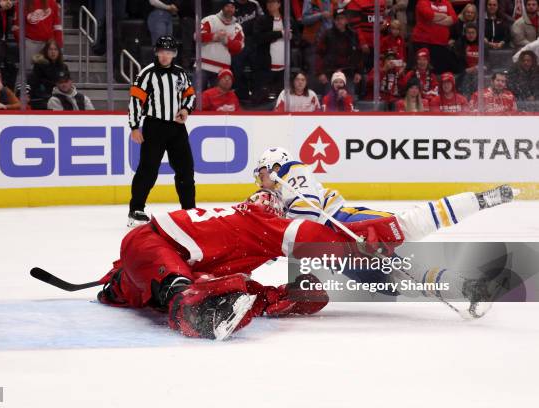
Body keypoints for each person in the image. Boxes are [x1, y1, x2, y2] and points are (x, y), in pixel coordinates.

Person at [96, 189, 406, 340]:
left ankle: (273, 298)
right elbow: (305, 235)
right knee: (181, 285)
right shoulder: (259, 220)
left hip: (157, 259)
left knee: (225, 283)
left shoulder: (239, 231)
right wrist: (356, 247)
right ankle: (193, 313)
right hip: (150, 243)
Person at [253, 147, 517, 244]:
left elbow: (308, 214)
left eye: (262, 171)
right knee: (388, 275)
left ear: (276, 165)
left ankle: (482, 199)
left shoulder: (291, 171)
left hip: (347, 223)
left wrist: (281, 223)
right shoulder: (283, 186)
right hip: (340, 237)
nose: (259, 179)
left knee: (410, 225)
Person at [128, 36, 197, 228]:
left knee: (186, 170)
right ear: (156, 53)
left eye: (169, 52)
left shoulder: (181, 74)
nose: (165, 56)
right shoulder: (146, 74)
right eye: (162, 52)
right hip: (154, 127)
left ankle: (189, 211)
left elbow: (190, 95)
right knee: (147, 170)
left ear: (174, 54)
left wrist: (185, 109)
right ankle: (136, 209)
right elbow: (135, 101)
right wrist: (134, 126)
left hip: (177, 128)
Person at [315, 9, 363, 97]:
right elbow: (319, 54)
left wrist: (358, 72)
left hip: (349, 74)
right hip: (330, 74)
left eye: (342, 18)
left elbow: (358, 54)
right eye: (337, 19)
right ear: (334, 20)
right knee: (329, 102)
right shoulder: (327, 35)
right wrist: (320, 73)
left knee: (348, 101)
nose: (339, 21)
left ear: (346, 20)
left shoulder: (353, 35)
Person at [198, 0, 245, 89]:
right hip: (203, 66)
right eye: (227, 6)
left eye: (232, 7)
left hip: (222, 70)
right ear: (222, 7)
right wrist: (215, 36)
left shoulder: (237, 27)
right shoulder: (209, 20)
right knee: (195, 97)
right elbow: (197, 36)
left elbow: (239, 47)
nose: (230, 9)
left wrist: (227, 41)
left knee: (217, 100)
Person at [12, 0, 63, 74]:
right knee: (27, 72)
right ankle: (21, 85)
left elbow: (57, 25)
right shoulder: (21, 3)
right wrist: (23, 43)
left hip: (48, 44)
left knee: (50, 71)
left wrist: (58, 44)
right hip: (29, 43)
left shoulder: (52, 2)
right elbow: (16, 26)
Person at [411, 0, 458, 74]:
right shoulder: (423, 1)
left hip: (441, 44)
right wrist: (444, 16)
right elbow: (429, 15)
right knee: (422, 70)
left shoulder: (446, 2)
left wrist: (434, 20)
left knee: (439, 72)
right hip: (423, 42)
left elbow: (454, 18)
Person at [253, 0, 286, 103]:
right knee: (261, 98)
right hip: (265, 66)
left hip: (283, 67)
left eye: (273, 2)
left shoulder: (287, 20)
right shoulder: (262, 20)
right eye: (268, 2)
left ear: (279, 4)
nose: (270, 4)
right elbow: (257, 38)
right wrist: (279, 34)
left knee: (281, 100)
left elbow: (297, 37)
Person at [232, 0, 264, 101]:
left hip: (252, 41)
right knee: (237, 70)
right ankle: (241, 94)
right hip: (237, 42)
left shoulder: (254, 4)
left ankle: (257, 95)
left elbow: (262, 18)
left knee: (257, 69)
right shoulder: (231, 4)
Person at [345, 0, 388, 69]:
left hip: (378, 43)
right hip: (363, 46)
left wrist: (386, 22)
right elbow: (354, 26)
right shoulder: (355, 2)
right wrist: (362, 42)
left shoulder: (382, 1)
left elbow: (385, 16)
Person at [30, 40, 69, 110]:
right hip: (43, 98)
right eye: (50, 49)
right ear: (46, 51)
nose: (53, 52)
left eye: (55, 49)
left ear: (59, 52)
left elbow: (68, 85)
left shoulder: (64, 67)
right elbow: (35, 85)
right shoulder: (39, 65)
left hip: (60, 97)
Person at [454, 23, 482, 97]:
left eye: (473, 33)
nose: (471, 35)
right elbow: (456, 61)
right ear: (465, 33)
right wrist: (465, 70)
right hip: (464, 71)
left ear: (477, 34)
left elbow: (488, 60)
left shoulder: (482, 44)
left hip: (479, 71)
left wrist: (483, 66)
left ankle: (477, 97)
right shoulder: (460, 44)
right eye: (468, 33)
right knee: (466, 76)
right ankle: (465, 97)